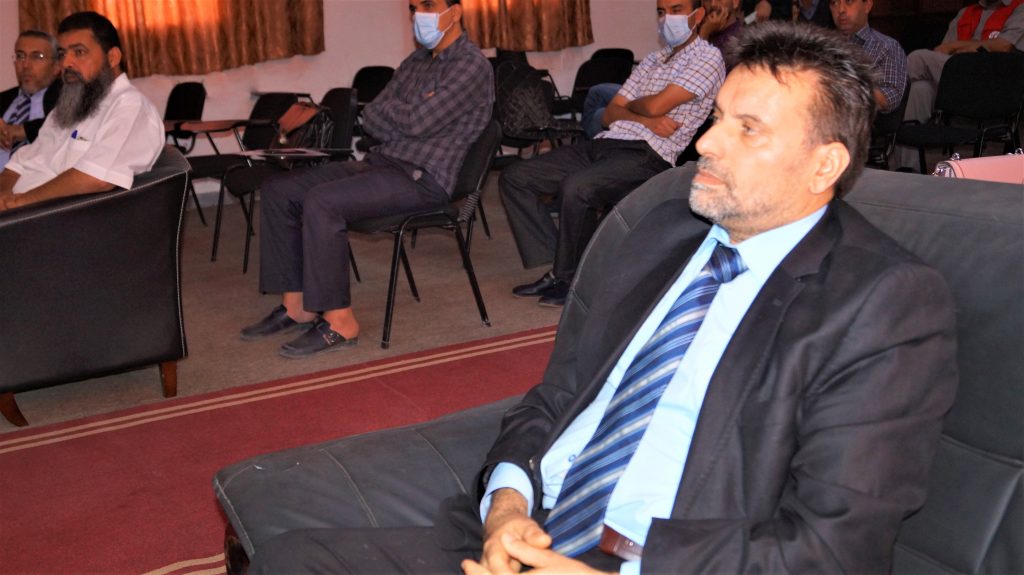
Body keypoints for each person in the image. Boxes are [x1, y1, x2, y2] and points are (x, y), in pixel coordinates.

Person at [249, 22, 958, 574]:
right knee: (291, 560)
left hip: (652, 561)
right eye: (716, 117)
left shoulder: (884, 303)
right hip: (522, 536)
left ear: (824, 164)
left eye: (748, 129)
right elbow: (557, 395)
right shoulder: (660, 232)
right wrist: (507, 502)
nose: (707, 143)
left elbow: (834, 548)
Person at [240, 0, 493, 359]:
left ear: (456, 11)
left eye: (429, 5)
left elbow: (418, 122)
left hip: (423, 178)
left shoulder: (471, 65)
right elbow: (371, 116)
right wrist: (407, 111)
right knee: (280, 190)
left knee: (323, 202)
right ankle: (297, 307)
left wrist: (401, 114)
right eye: (413, 7)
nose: (418, 15)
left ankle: (341, 321)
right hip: (382, 163)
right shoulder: (416, 62)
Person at [502, 0, 725, 308]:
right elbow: (609, 114)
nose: (667, 19)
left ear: (697, 15)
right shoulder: (654, 58)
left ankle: (569, 275)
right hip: (607, 142)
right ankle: (563, 265)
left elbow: (656, 105)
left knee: (577, 187)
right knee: (516, 177)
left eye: (676, 10)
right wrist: (645, 116)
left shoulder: (707, 58)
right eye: (661, 12)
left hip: (648, 154)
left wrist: (634, 107)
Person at [0, 12, 163, 212]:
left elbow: (97, 178)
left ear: (112, 58)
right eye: (62, 54)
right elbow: (21, 162)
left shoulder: (129, 107)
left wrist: (19, 203)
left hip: (56, 218)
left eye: (79, 52)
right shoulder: (69, 106)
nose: (66, 63)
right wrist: (3, 194)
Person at [581, 0, 741, 140]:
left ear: (735, 2)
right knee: (598, 93)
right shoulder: (661, 54)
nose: (713, 4)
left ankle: (590, 137)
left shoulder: (735, 39)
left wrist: (705, 31)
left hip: (678, 100)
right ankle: (591, 138)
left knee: (600, 113)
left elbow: (707, 72)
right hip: (654, 93)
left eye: (719, 0)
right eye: (709, 0)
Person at [895, 0, 1024, 168]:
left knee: (918, 58)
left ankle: (881, 100)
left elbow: (1004, 45)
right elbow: (943, 51)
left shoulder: (1019, 8)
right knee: (920, 89)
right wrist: (965, 49)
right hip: (959, 81)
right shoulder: (966, 13)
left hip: (993, 83)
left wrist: (958, 46)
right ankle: (908, 168)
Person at [830, 0, 906, 114]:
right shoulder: (822, 46)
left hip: (862, 120)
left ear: (867, 6)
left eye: (849, 2)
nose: (841, 9)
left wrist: (844, 90)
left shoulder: (885, 47)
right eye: (834, 3)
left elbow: (890, 97)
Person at [0, 31, 61, 170]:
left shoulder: (67, 99)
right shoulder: (3, 98)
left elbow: (65, 127)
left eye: (37, 56)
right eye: (20, 56)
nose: (26, 65)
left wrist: (23, 130)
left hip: (39, 179)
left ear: (56, 66)